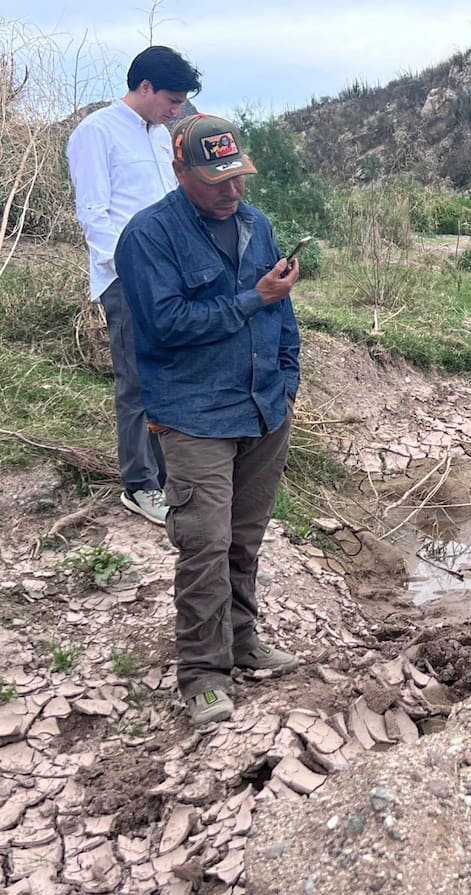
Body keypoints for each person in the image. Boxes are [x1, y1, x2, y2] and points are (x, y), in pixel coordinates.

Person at [114, 113, 301, 726]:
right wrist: (256, 299)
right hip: (193, 416)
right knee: (203, 543)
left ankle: (242, 643)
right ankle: (201, 674)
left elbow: (283, 313)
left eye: (238, 177)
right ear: (179, 171)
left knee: (246, 537)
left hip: (262, 407)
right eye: (216, 180)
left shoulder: (257, 225)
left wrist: (287, 378)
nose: (231, 191)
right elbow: (166, 325)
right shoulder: (148, 236)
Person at [66, 46, 202, 526]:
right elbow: (94, 214)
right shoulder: (96, 132)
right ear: (144, 87)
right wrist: (128, 269)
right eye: (171, 99)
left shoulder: (162, 137)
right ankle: (139, 485)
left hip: (172, 275)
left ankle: (172, 477)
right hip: (128, 278)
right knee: (137, 381)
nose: (177, 109)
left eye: (181, 102)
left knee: (175, 373)